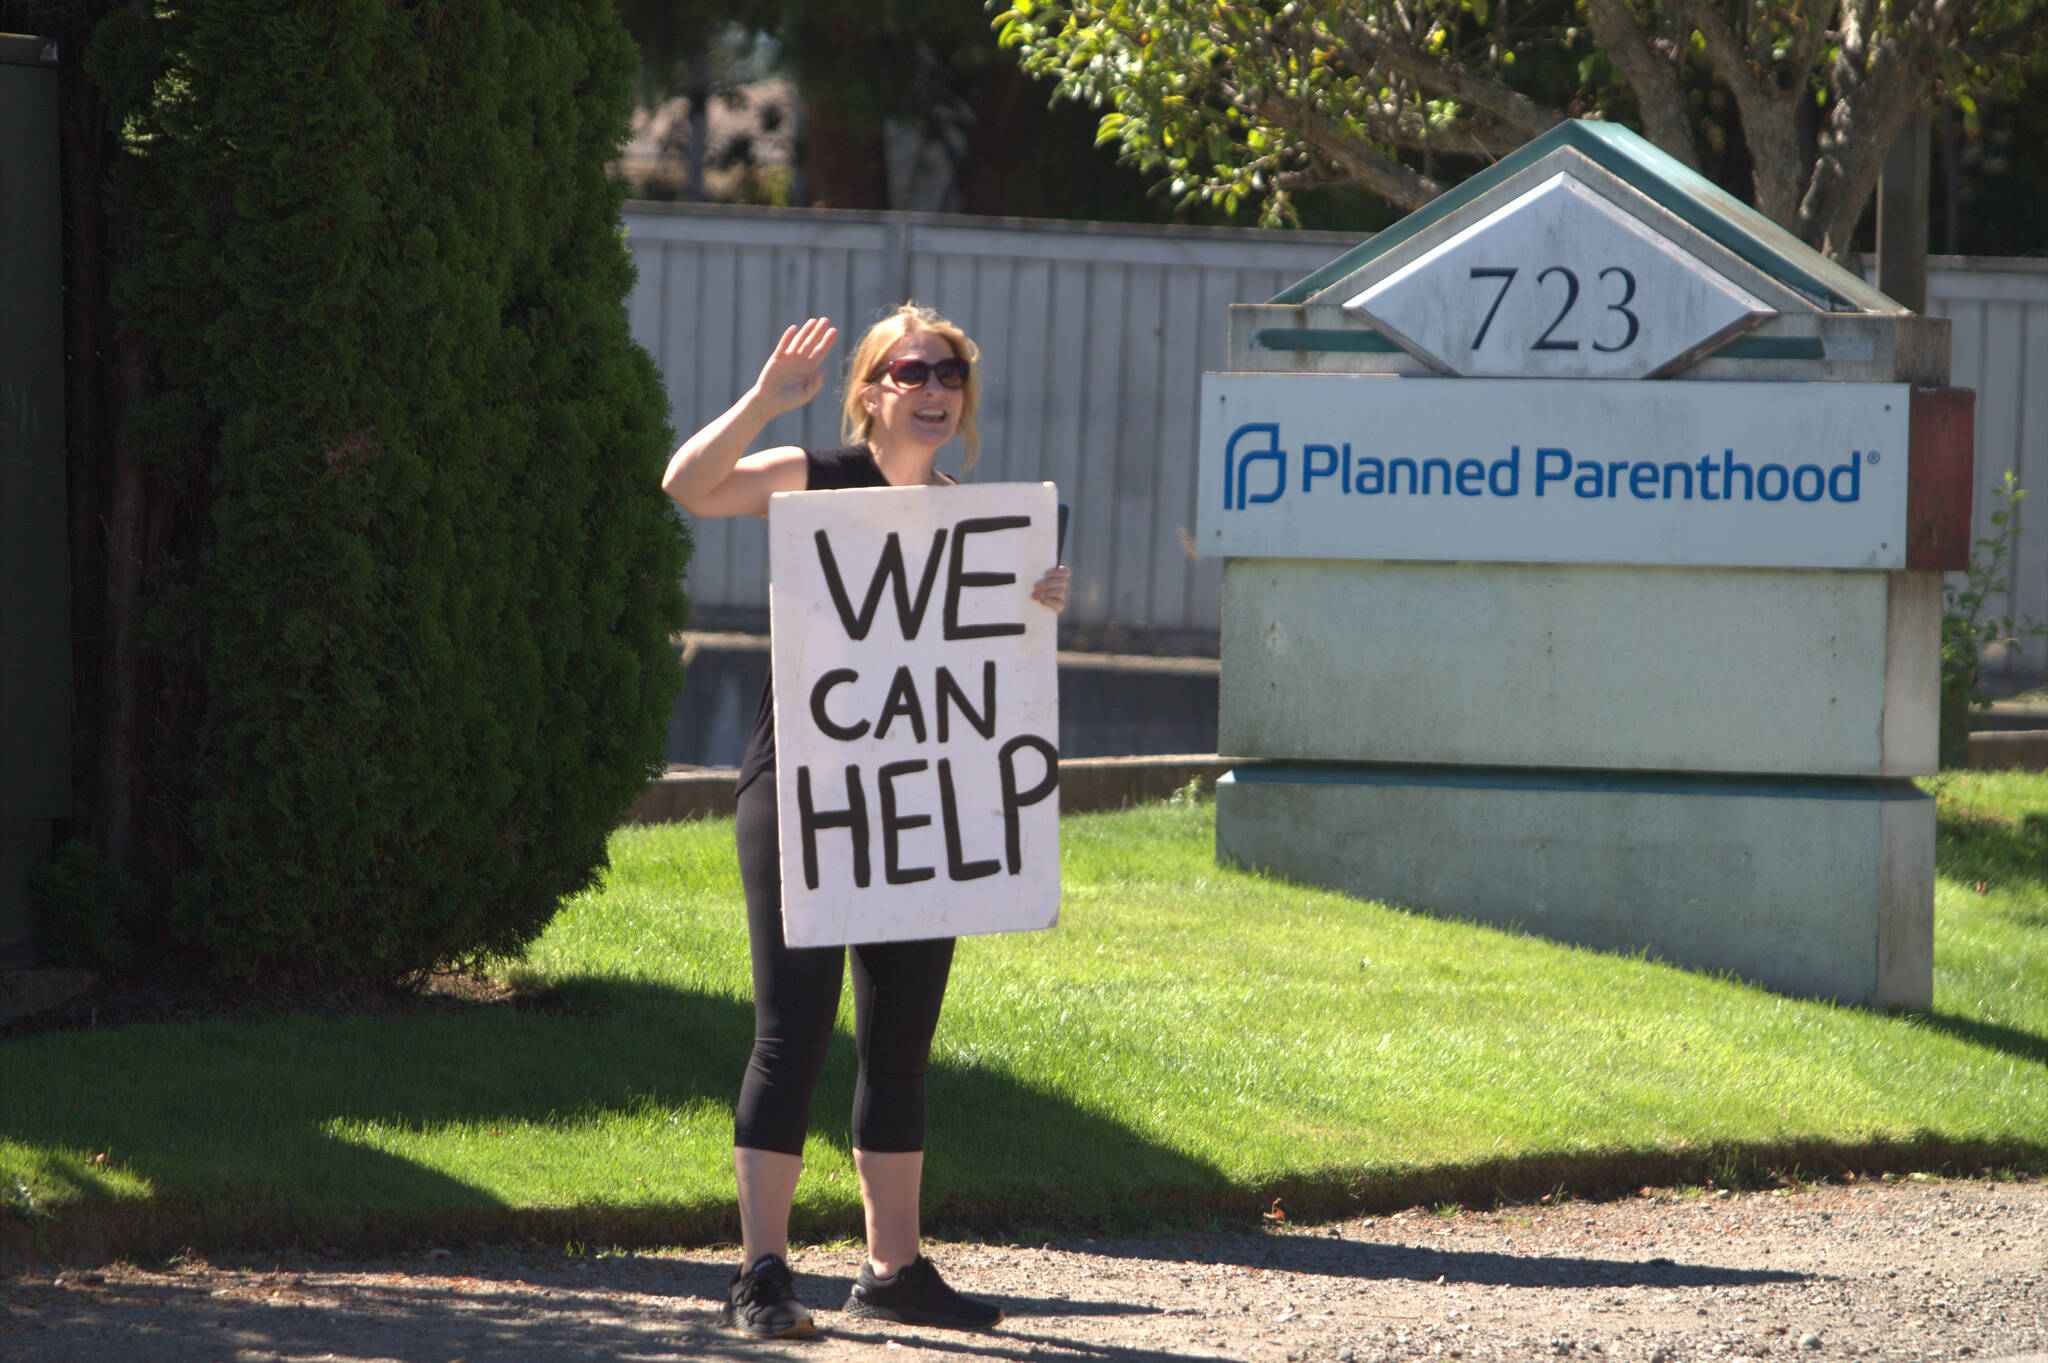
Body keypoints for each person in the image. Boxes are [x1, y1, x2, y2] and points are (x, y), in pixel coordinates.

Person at [661, 304, 1069, 1339]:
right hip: (799, 793)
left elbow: (982, 676)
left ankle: (893, 1267)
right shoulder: (816, 478)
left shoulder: (970, 523)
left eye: (950, 374)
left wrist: (1032, 606)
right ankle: (760, 1270)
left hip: (921, 806)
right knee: (790, 1032)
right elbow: (688, 488)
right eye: (910, 369)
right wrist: (763, 399)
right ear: (872, 388)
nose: (933, 388)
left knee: (901, 1044)